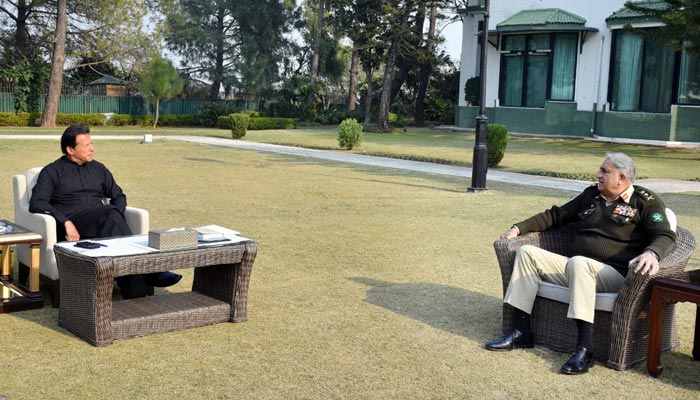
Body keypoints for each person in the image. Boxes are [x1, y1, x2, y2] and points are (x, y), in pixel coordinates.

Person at [485, 152, 676, 375]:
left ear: (622, 178)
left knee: (579, 263)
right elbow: (557, 215)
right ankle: (521, 331)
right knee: (527, 252)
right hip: (575, 266)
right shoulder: (592, 195)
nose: (598, 174)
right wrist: (518, 228)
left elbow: (665, 234)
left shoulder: (645, 201)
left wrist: (652, 253)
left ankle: (585, 350)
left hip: (614, 274)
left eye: (605, 171)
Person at [29, 124, 182, 299]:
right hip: (76, 224)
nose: (92, 148)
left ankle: (136, 295)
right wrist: (65, 221)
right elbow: (37, 202)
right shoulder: (52, 171)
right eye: (86, 145)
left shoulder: (98, 169)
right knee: (109, 213)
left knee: (111, 214)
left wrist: (116, 214)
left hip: (103, 222)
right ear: (70, 149)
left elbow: (119, 195)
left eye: (91, 143)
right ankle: (150, 270)